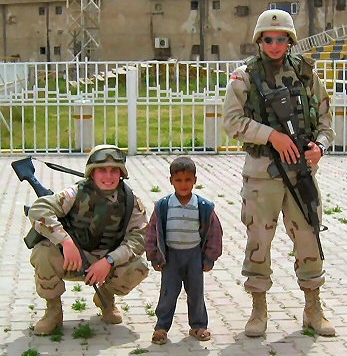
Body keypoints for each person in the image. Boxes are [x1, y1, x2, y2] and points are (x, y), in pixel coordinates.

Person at [223, 9, 335, 337]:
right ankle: (258, 310)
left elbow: (326, 121)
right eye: (269, 39)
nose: (275, 44)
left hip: (301, 173)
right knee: (259, 240)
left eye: (281, 38)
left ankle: (313, 309)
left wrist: (320, 146)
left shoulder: (305, 74)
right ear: (260, 40)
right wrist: (271, 135)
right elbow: (231, 122)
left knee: (308, 237)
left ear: (290, 41)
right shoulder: (244, 76)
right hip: (262, 174)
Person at [27, 144, 149, 335]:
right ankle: (53, 310)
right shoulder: (75, 194)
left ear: (121, 174)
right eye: (102, 170)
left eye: (113, 170)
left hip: (105, 261)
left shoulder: (130, 201)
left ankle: (105, 298)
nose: (108, 176)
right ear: (92, 173)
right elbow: (38, 210)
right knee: (43, 251)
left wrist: (109, 261)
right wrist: (65, 242)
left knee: (138, 267)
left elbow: (139, 238)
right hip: (72, 259)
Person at [146, 156, 223, 345]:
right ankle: (161, 327)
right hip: (170, 257)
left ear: (195, 180)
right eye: (178, 180)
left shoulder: (203, 206)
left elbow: (215, 232)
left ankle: (198, 325)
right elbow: (152, 231)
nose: (183, 184)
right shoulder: (163, 206)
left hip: (194, 256)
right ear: (171, 180)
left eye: (188, 180)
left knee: (196, 293)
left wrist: (209, 258)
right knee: (168, 293)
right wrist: (153, 256)